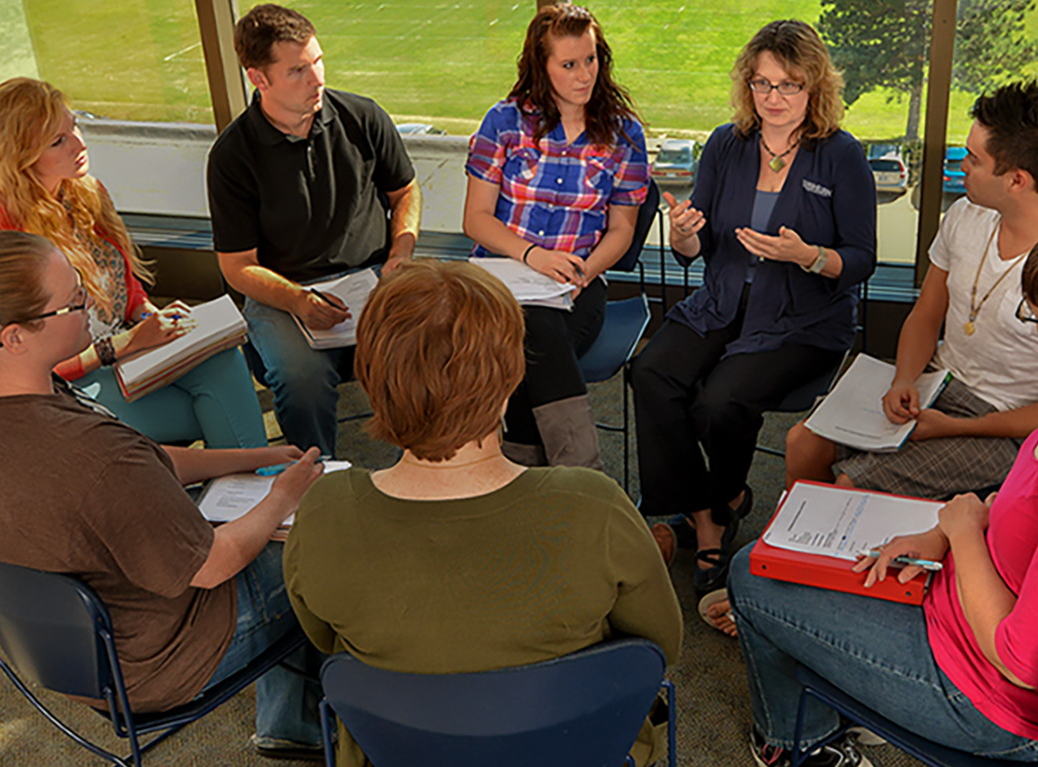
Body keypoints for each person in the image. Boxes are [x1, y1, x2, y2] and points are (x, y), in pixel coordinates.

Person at [726, 226, 1038, 767]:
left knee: (751, 576)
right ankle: (851, 692)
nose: (1031, 325)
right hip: (976, 591)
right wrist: (944, 529)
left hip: (987, 696)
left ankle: (801, 743)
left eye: (1034, 318)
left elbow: (1019, 660)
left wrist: (963, 530)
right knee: (810, 552)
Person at [0, 231, 328, 761]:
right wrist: (283, 497)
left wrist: (248, 458)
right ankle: (300, 721)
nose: (93, 308)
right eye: (75, 302)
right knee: (333, 532)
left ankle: (291, 716)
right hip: (155, 663)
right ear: (14, 337)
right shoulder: (92, 455)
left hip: (58, 652)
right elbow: (214, 564)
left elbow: (150, 462)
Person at [283, 260, 682, 767]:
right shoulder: (592, 506)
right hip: (577, 749)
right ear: (511, 375)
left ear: (369, 375)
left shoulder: (324, 513)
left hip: (400, 750)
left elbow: (326, 637)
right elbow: (660, 646)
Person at [629, 19, 876, 596]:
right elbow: (700, 248)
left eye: (788, 85)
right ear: (748, 86)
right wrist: (684, 234)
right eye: (763, 85)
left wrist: (808, 255)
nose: (774, 99)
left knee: (719, 400)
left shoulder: (840, 156)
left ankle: (712, 511)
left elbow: (860, 259)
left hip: (802, 319)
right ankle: (716, 509)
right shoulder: (726, 144)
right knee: (652, 372)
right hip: (723, 299)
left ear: (814, 88)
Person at [783, 80, 1038, 501]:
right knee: (801, 442)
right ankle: (796, 554)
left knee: (853, 484)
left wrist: (958, 427)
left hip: (1005, 425)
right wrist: (904, 378)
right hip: (938, 384)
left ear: (1017, 180)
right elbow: (926, 315)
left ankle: (826, 551)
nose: (961, 165)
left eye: (974, 159)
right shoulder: (966, 215)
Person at [0, 77, 268, 449]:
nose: (79, 143)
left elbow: (123, 285)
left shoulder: (86, 190)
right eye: (58, 141)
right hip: (63, 382)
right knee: (215, 409)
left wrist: (149, 316)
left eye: (73, 126)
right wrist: (122, 346)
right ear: (18, 158)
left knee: (223, 361)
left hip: (120, 349)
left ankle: (252, 490)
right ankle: (256, 489)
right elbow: (16, 360)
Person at [209, 3, 422, 456]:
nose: (318, 78)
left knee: (431, 346)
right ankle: (316, 480)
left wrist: (401, 254)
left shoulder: (363, 117)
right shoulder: (232, 157)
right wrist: (299, 301)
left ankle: (431, 473)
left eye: (319, 61)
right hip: (284, 296)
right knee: (301, 379)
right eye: (298, 70)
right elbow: (237, 267)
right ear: (258, 79)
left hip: (373, 280)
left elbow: (405, 192)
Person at [461, 2, 649, 469]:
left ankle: (517, 471)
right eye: (569, 64)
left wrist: (582, 270)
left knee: (532, 336)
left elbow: (622, 230)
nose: (585, 74)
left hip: (580, 281)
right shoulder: (503, 122)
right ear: (540, 68)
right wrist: (533, 256)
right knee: (534, 331)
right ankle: (581, 474)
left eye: (592, 59)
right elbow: (477, 219)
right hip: (499, 278)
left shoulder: (624, 133)